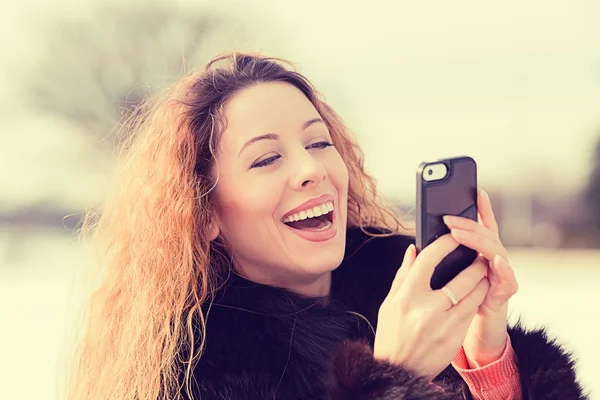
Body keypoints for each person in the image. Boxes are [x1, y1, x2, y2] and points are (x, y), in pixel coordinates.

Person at [65, 52, 588, 400]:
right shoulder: (191, 371)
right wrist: (392, 375)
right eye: (267, 159)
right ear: (204, 214)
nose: (313, 169)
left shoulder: (408, 297)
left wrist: (487, 354)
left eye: (318, 143)